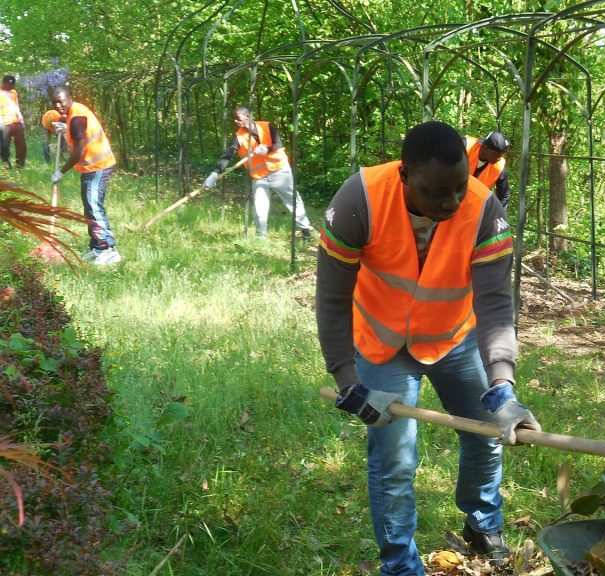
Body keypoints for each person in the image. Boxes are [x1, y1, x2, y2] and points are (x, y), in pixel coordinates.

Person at [316, 120, 540, 574]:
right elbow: (333, 299)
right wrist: (347, 380)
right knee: (394, 462)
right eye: (437, 192)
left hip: (453, 338)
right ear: (405, 175)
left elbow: (495, 303)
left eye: (459, 188)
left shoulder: (483, 211)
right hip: (383, 345)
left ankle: (483, 523)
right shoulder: (359, 200)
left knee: (485, 435)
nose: (451, 202)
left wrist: (502, 385)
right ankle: (400, 565)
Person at [204, 107, 314, 240]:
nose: (235, 121)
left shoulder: (266, 126)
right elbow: (228, 155)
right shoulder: (238, 137)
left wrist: (266, 149)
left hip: (279, 170)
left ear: (247, 117)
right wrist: (215, 172)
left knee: (292, 200)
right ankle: (261, 236)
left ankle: (305, 229)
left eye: (238, 118)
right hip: (259, 177)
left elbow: (278, 144)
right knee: (259, 206)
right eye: (234, 118)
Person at [50, 86, 121, 265]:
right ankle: (97, 247)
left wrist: (61, 171)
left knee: (94, 206)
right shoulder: (75, 113)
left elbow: (78, 153)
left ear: (69, 98)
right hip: (91, 167)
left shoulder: (77, 117)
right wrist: (64, 128)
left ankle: (108, 249)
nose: (59, 105)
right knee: (89, 207)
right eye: (55, 102)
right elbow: (78, 131)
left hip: (98, 166)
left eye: (61, 101)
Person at [464, 131, 511, 209]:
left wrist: (500, 218)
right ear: (485, 148)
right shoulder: (465, 146)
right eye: (496, 154)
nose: (499, 158)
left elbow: (504, 196)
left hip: (472, 208)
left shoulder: (499, 167)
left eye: (501, 155)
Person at [0, 75, 27, 170]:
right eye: (9, 84)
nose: (11, 86)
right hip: (4, 122)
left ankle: (20, 164)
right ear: (3, 83)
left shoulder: (13, 93)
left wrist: (21, 119)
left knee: (22, 144)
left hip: (16, 122)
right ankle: (6, 163)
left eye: (12, 85)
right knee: (4, 145)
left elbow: (16, 106)